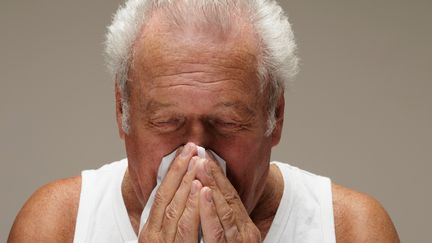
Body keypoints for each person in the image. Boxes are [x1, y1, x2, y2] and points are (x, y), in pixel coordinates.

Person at [8, 0, 400, 242]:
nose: (196, 156)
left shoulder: (353, 232)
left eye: (227, 124)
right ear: (122, 112)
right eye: (166, 122)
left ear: (275, 115)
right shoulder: (57, 227)